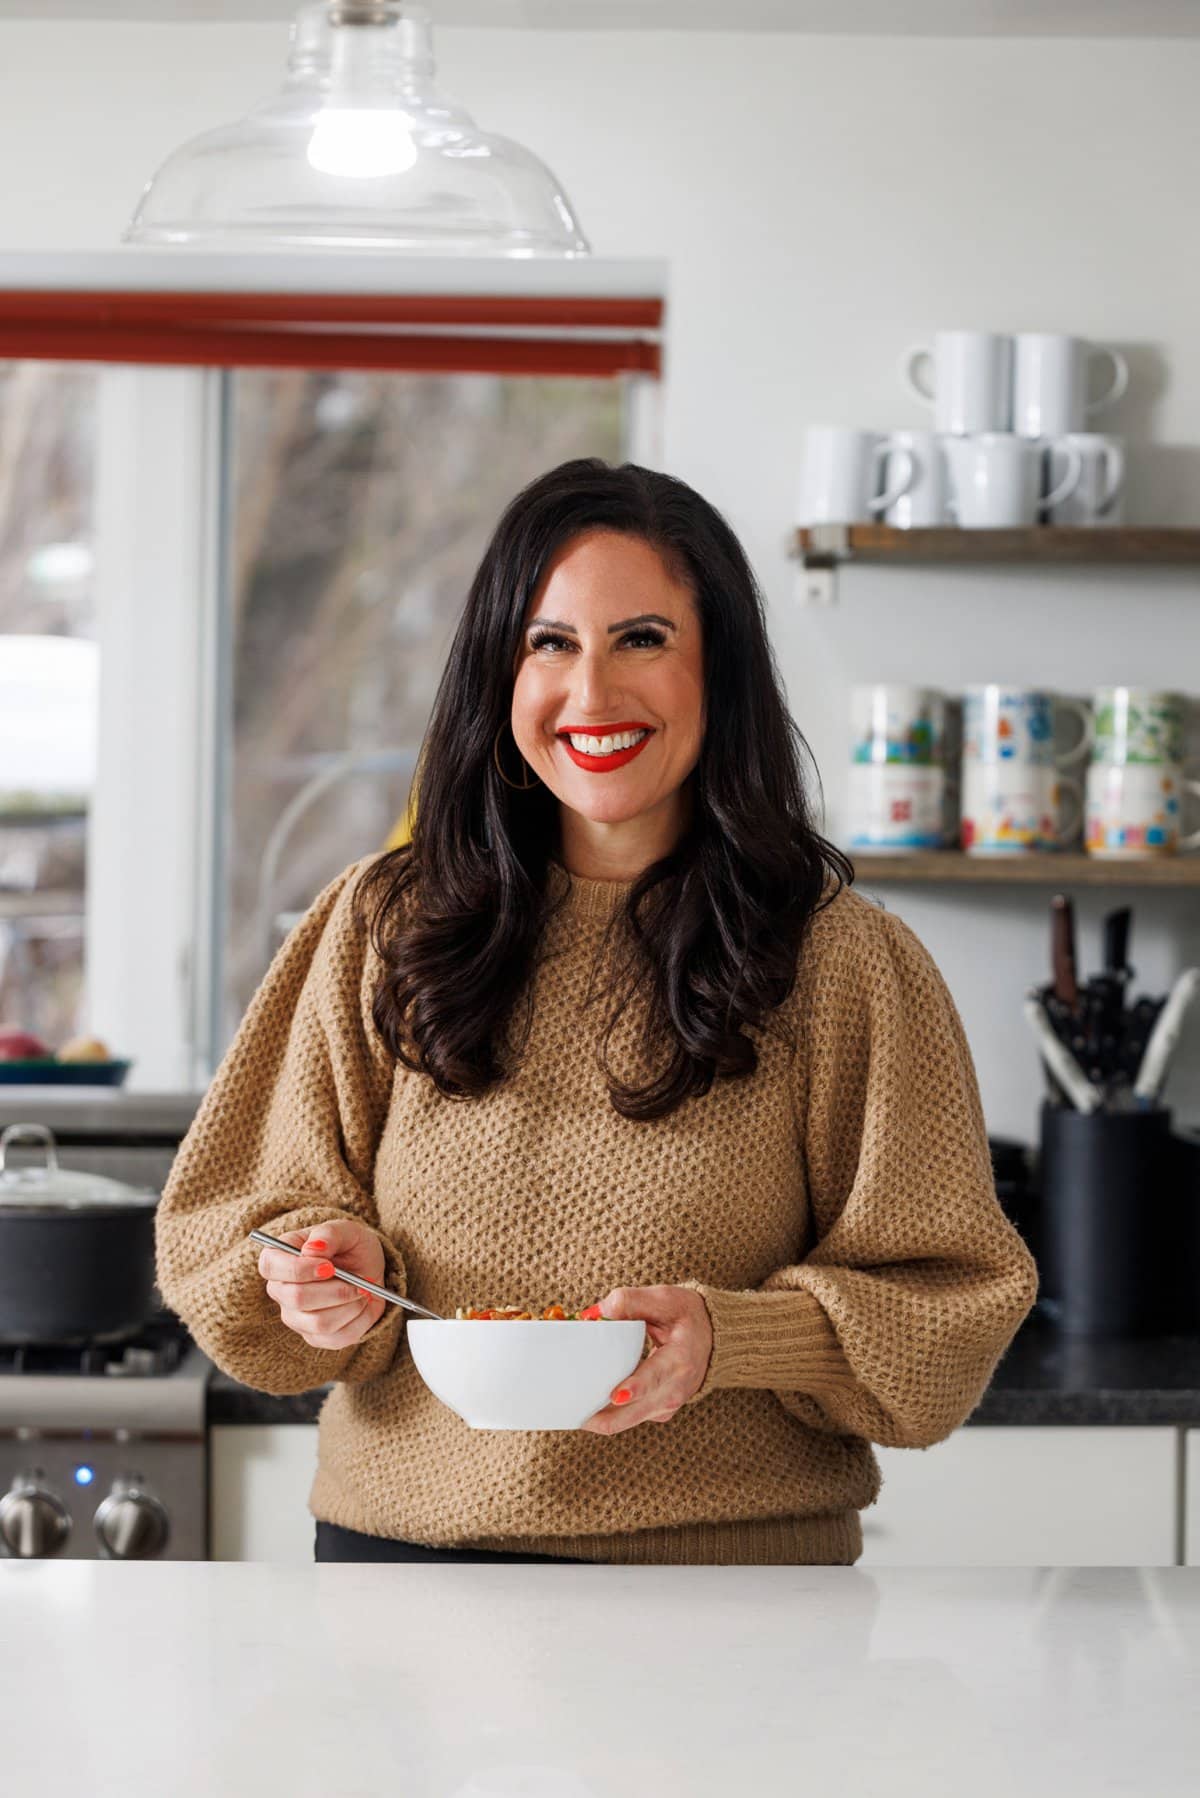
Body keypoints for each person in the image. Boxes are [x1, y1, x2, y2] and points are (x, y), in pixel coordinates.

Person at [155, 457, 1038, 1566]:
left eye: (642, 639)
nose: (592, 694)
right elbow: (227, 1224)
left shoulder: (844, 962)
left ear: (720, 669)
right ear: (499, 670)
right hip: (401, 1580)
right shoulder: (380, 924)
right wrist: (323, 1278)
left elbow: (951, 1306)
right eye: (550, 643)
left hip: (734, 1592)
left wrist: (733, 1340)